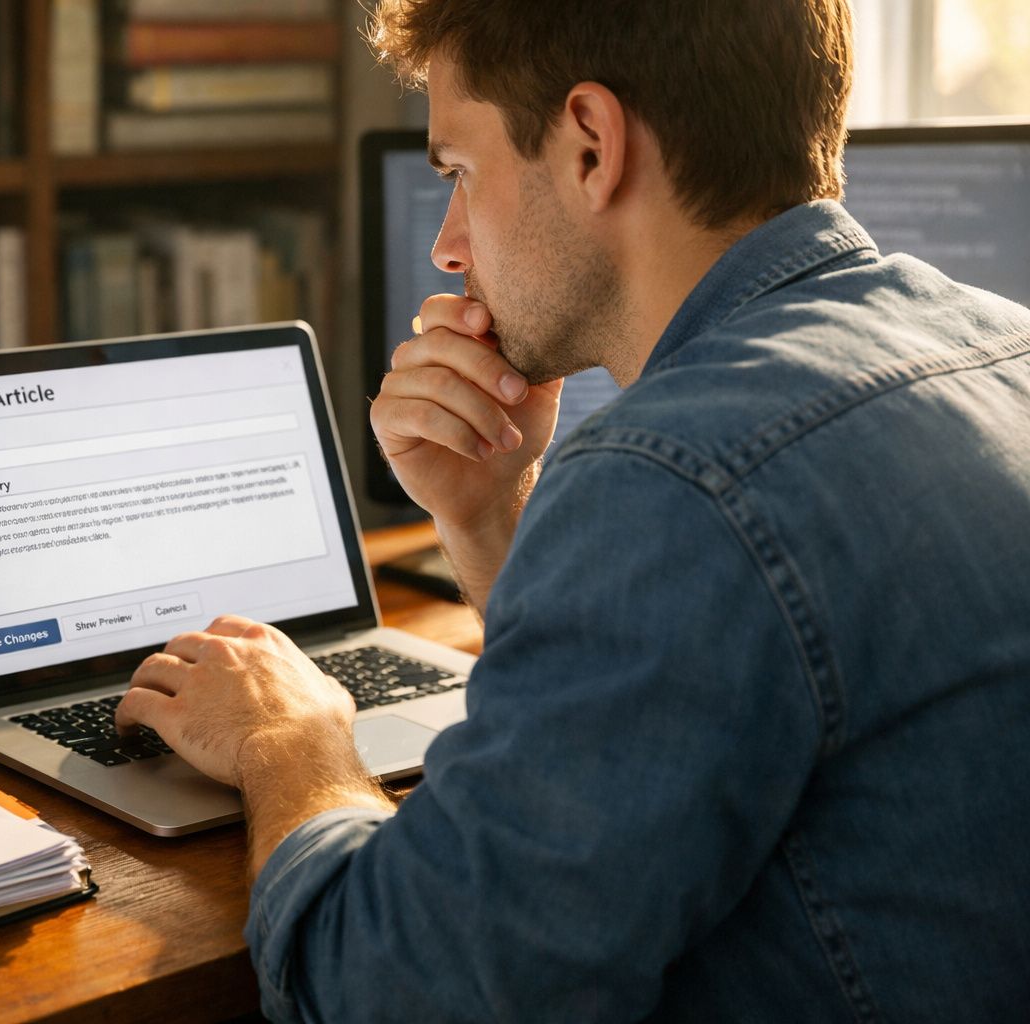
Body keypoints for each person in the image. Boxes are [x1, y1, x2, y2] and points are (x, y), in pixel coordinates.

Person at [115, 1, 1030, 1019]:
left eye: (459, 171)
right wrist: (492, 514)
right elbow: (663, 732)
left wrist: (287, 739)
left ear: (592, 146)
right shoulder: (1003, 343)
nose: (450, 248)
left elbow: (390, 992)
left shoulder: (676, 478)